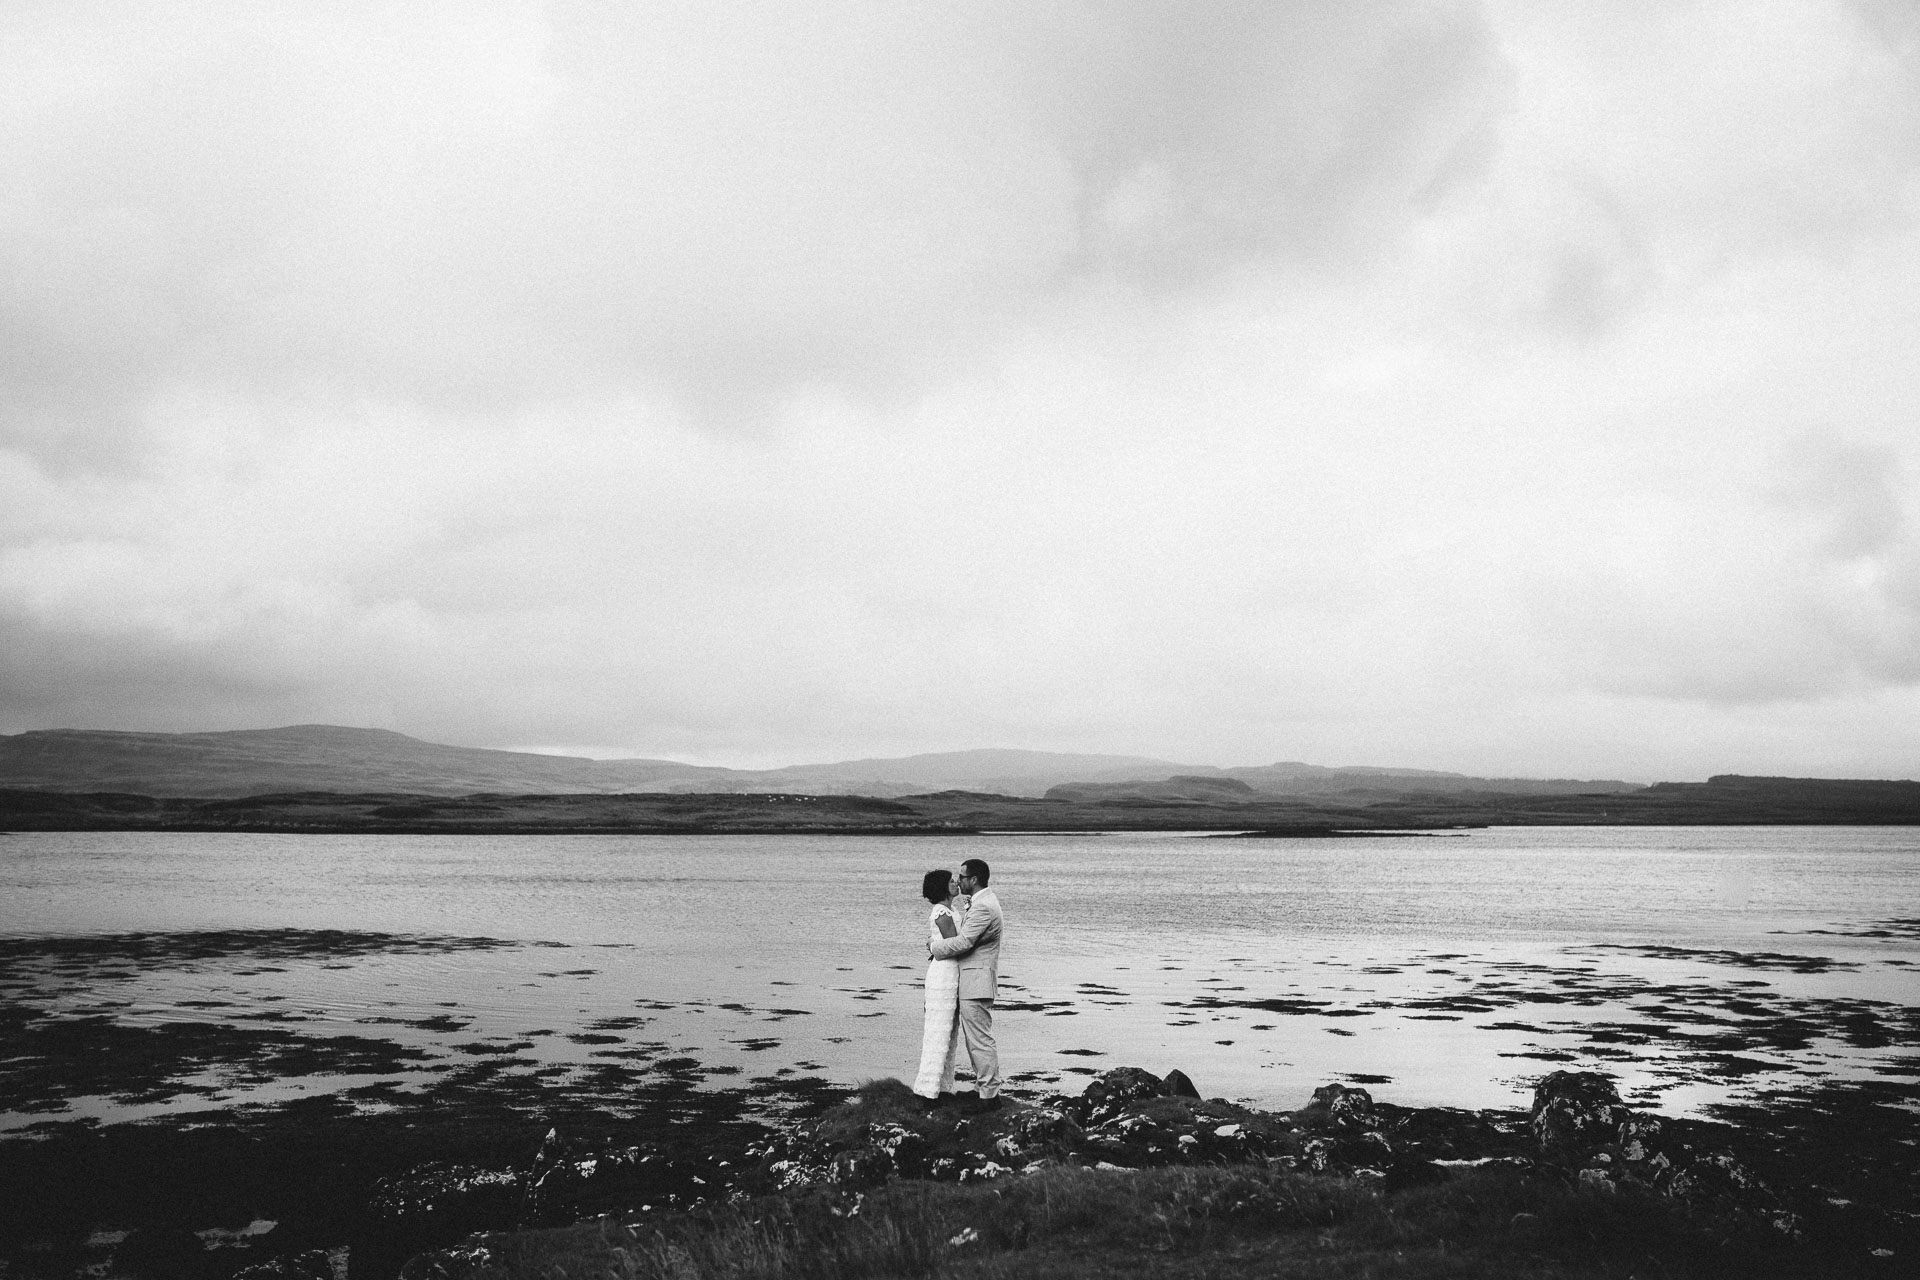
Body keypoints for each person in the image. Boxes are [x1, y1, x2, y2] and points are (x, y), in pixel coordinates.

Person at [928, 857, 1003, 1111]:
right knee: (975, 1039)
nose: (958, 881)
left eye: (962, 876)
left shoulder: (983, 907)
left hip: (977, 980)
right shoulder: (982, 902)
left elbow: (964, 942)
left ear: (973, 879)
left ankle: (990, 1096)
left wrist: (934, 947)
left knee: (980, 1039)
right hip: (974, 979)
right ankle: (982, 1089)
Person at [911, 869, 965, 1104]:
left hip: (950, 974)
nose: (955, 883)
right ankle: (929, 1089)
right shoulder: (942, 912)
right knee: (938, 1031)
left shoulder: (951, 910)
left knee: (947, 1032)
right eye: (951, 880)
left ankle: (941, 1087)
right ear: (943, 887)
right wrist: (935, 944)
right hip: (943, 976)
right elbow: (956, 944)